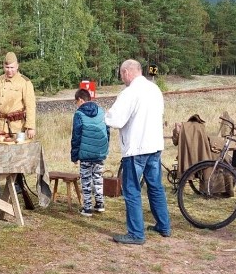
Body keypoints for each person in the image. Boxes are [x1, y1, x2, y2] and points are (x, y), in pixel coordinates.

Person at [104, 59, 171, 245]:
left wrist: (104, 116)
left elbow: (116, 120)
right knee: (155, 186)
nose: (121, 78)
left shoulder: (129, 93)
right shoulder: (154, 89)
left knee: (131, 190)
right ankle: (163, 225)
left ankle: (136, 233)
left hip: (137, 148)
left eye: (121, 74)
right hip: (155, 145)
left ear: (126, 72)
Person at [0, 52, 37, 208]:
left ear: (17, 66)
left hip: (16, 127)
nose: (9, 70)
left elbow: (30, 106)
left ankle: (18, 189)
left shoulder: (25, 82)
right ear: (3, 66)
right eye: (6, 67)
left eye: (12, 67)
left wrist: (30, 126)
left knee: (16, 161)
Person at [71, 88, 109, 216]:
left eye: (76, 102)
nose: (76, 105)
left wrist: (74, 156)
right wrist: (104, 148)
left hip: (85, 154)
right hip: (99, 152)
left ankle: (87, 208)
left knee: (86, 179)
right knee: (98, 177)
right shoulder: (101, 112)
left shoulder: (79, 114)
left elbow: (76, 136)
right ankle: (100, 204)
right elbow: (107, 132)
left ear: (80, 100)